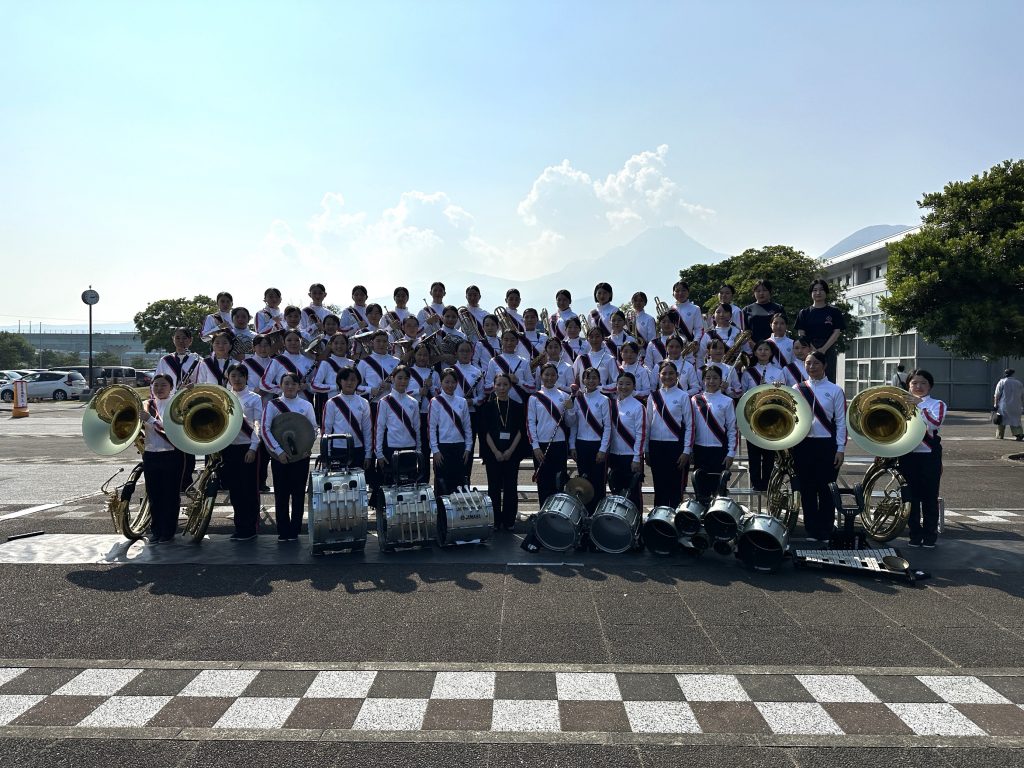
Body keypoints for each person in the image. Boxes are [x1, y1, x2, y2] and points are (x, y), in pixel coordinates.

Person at [791, 351, 847, 541]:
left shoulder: (835, 390)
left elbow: (841, 421)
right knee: (807, 488)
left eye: (816, 363)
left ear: (824, 365)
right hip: (802, 445)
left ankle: (825, 529)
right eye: (808, 363)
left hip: (827, 445)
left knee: (826, 489)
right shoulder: (797, 388)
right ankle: (811, 529)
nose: (811, 367)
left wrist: (840, 448)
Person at [261, 372, 318, 542]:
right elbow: (265, 429)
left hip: (301, 456)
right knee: (281, 494)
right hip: (280, 457)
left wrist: (306, 448)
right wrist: (278, 451)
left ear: (299, 386)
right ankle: (283, 530)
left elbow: (313, 429)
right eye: (286, 383)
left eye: (294, 383)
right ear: (280, 385)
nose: (290, 386)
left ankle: (295, 530)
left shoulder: (306, 405)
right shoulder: (273, 405)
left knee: (298, 493)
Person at [898, 369, 946, 547]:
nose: (918, 386)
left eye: (923, 383)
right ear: (908, 385)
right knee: (911, 498)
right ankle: (914, 535)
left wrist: (919, 405)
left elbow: (934, 423)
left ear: (930, 386)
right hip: (907, 455)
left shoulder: (937, 404)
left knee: (929, 497)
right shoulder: (900, 404)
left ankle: (929, 536)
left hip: (929, 456)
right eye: (914, 383)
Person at [139, 374, 186, 544]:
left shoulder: (176, 404)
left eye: (163, 385)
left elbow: (173, 430)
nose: (159, 388)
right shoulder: (146, 404)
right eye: (156, 385)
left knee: (170, 495)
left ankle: (168, 531)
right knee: (154, 494)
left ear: (171, 387)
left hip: (172, 454)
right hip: (151, 454)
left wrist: (150, 420)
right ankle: (156, 530)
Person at [739, 340, 788, 494]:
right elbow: (743, 394)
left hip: (771, 415)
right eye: (759, 349)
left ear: (771, 353)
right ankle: (756, 483)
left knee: (768, 454)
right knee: (753, 453)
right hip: (753, 415)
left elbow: (783, 393)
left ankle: (767, 483)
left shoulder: (778, 371)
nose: (763, 352)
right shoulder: (748, 372)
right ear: (755, 352)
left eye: (766, 349)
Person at [683, 365, 737, 504]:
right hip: (700, 450)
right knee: (700, 489)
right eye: (708, 378)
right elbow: (690, 426)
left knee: (719, 489)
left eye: (715, 378)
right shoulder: (695, 399)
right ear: (703, 380)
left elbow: (732, 429)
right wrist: (689, 450)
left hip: (719, 450)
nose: (711, 381)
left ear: (721, 381)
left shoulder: (727, 401)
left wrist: (731, 453)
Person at [479, 373, 526, 530]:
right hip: (493, 454)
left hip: (512, 453)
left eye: (505, 385)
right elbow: (484, 432)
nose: (501, 388)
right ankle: (495, 520)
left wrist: (510, 451)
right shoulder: (487, 407)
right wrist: (496, 452)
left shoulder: (518, 406)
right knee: (494, 487)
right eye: (498, 384)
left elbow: (520, 431)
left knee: (511, 487)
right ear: (494, 386)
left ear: (510, 386)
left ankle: (509, 521)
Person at [528, 362, 577, 507]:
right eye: (546, 374)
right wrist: (535, 447)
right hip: (541, 446)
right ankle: (544, 510)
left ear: (557, 377)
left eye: (553, 375)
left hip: (560, 445)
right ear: (541, 376)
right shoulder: (534, 398)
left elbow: (570, 422)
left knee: (558, 479)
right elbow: (530, 423)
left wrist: (571, 409)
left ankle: (557, 511)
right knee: (543, 481)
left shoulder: (565, 396)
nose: (549, 377)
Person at [222, 365, 262, 541]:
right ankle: (240, 527)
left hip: (247, 447)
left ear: (246, 377)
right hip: (228, 448)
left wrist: (253, 447)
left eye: (240, 376)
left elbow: (258, 425)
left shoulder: (255, 398)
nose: (236, 379)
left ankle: (251, 528)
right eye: (233, 376)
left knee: (249, 490)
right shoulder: (223, 397)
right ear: (228, 378)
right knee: (235, 490)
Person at [645, 361, 693, 509]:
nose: (667, 376)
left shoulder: (683, 396)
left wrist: (686, 451)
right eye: (664, 373)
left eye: (671, 373)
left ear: (677, 375)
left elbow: (690, 425)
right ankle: (659, 521)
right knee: (659, 486)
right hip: (656, 446)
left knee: (675, 488)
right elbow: (647, 424)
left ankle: (674, 521)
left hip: (675, 447)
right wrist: (646, 449)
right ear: (659, 375)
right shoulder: (653, 396)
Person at [429, 368, 474, 497]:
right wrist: (435, 450)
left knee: (460, 483)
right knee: (442, 484)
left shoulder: (462, 401)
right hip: (443, 448)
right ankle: (442, 516)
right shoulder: (435, 402)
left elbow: (467, 427)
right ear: (441, 382)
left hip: (460, 447)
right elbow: (431, 428)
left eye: (453, 382)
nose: (450, 385)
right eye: (446, 382)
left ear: (457, 383)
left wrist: (468, 448)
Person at [606, 371, 647, 512]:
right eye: (621, 383)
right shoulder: (611, 405)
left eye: (628, 384)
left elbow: (641, 434)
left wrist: (637, 457)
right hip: (614, 455)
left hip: (631, 456)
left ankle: (637, 525)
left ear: (634, 386)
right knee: (616, 491)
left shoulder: (638, 406)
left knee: (633, 493)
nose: (624, 387)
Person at [373, 365, 421, 482]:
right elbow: (379, 428)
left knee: (409, 485)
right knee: (390, 485)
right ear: (393, 379)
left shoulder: (413, 402)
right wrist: (379, 453)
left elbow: (417, 428)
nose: (403, 381)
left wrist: (418, 449)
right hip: (391, 448)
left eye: (406, 378)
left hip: (410, 448)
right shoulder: (384, 402)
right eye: (399, 378)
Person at [574, 367, 611, 514]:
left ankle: (598, 514)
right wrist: (572, 446)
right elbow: (574, 426)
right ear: (583, 380)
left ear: (599, 380)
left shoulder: (604, 399)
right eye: (588, 378)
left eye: (594, 377)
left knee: (598, 483)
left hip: (597, 445)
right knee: (583, 481)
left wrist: (602, 449)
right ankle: (585, 514)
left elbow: (608, 427)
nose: (591, 381)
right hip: (581, 444)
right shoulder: (578, 400)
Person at [794, 279, 846, 382]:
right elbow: (801, 333)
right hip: (809, 350)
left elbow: (836, 332)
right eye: (815, 290)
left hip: (828, 349)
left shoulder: (834, 311)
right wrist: (812, 348)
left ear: (826, 292)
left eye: (821, 290)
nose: (818, 293)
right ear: (811, 293)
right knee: (808, 379)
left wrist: (823, 349)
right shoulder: (804, 313)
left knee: (828, 379)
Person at [322, 368, 373, 470]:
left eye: (353, 379)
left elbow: (367, 430)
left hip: (358, 448)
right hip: (337, 449)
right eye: (345, 379)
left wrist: (368, 454)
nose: (349, 382)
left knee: (358, 483)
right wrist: (325, 455)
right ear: (340, 381)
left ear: (358, 381)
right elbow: (326, 430)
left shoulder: (364, 403)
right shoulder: (332, 402)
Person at [484, 329, 536, 404]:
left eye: (512, 340)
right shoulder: (494, 361)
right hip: (498, 404)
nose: (509, 343)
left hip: (519, 404)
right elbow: (487, 388)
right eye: (506, 340)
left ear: (517, 342)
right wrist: (499, 382)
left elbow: (532, 388)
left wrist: (518, 381)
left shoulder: (524, 362)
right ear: (501, 341)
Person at [260, 330, 315, 399]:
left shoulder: (309, 361)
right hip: (284, 405)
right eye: (289, 340)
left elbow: (316, 385)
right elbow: (263, 383)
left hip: (306, 405)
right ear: (283, 342)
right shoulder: (277, 361)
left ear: (301, 341)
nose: (293, 343)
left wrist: (307, 386)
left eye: (297, 340)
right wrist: (283, 389)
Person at [571, 326, 619, 395]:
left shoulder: (610, 359)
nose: (594, 339)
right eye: (591, 337)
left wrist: (602, 388)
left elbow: (618, 383)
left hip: (602, 399)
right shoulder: (581, 358)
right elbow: (572, 380)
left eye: (597, 336)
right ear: (587, 339)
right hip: (584, 400)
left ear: (603, 338)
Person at [742, 279, 785, 343]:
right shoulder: (746, 310)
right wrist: (754, 346)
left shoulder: (778, 308)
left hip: (775, 345)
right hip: (752, 348)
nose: (761, 293)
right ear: (754, 293)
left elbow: (783, 328)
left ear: (770, 291)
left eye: (764, 290)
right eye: (758, 291)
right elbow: (744, 331)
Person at [994, 369, 1023, 440]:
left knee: (1001, 420)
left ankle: (1000, 435)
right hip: (1016, 406)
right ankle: (1019, 434)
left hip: (1004, 405)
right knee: (1015, 421)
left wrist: (995, 404)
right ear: (1013, 374)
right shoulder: (1019, 383)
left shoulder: (1002, 382)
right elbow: (1022, 395)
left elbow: (997, 394)